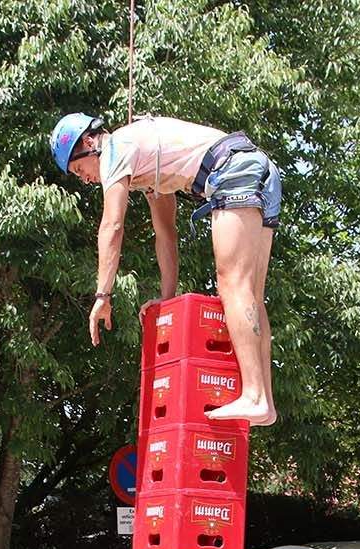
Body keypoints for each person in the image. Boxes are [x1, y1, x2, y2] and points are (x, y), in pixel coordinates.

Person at [51, 112, 283, 425]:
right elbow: (165, 233)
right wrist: (167, 298)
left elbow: (112, 225)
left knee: (232, 283)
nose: (85, 178)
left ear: (90, 142)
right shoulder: (147, 168)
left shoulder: (115, 149)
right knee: (251, 292)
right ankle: (264, 401)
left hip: (232, 169)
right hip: (256, 167)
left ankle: (253, 394)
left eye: (80, 168)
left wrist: (102, 295)